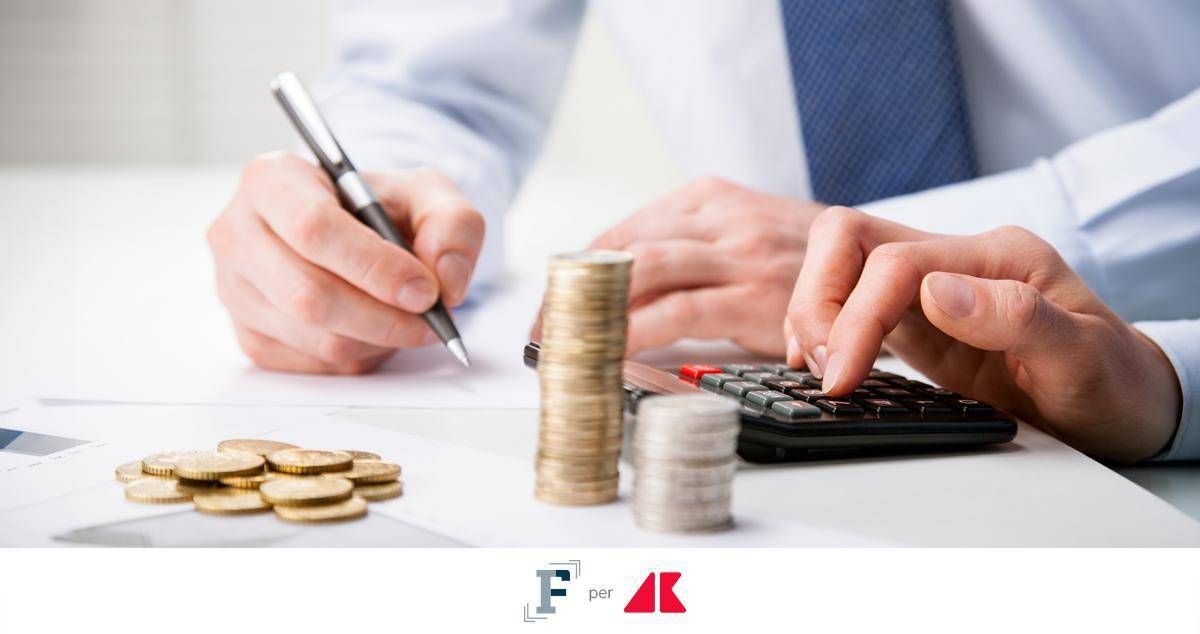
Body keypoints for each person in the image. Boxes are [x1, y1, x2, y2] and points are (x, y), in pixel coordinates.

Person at [206, 2, 1199, 461]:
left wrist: (915, 260)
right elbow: (433, 84)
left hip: (1144, 388)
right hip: (775, 394)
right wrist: (376, 196)